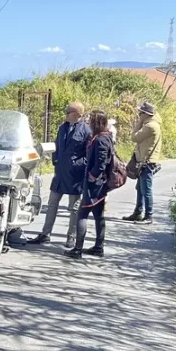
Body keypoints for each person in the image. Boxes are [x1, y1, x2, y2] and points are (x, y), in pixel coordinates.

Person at [28, 102, 91, 248]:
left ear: (77, 114)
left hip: (75, 176)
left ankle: (71, 237)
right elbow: (57, 145)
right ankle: (45, 234)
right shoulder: (63, 128)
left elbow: (89, 154)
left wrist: (77, 164)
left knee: (74, 208)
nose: (66, 114)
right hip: (60, 173)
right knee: (52, 204)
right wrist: (55, 160)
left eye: (68, 112)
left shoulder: (86, 131)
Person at [65, 110, 115, 259]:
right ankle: (98, 247)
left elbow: (100, 163)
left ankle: (78, 249)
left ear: (96, 122)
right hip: (99, 183)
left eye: (91, 120)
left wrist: (92, 177)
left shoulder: (101, 140)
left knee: (82, 214)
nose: (88, 122)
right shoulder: (104, 137)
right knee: (99, 215)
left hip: (95, 184)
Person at [123, 101, 162, 225]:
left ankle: (148, 216)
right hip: (144, 160)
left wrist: (139, 122)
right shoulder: (151, 124)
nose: (139, 115)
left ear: (146, 114)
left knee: (146, 189)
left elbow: (134, 137)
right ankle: (138, 212)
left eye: (141, 113)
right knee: (140, 188)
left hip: (147, 162)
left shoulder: (150, 126)